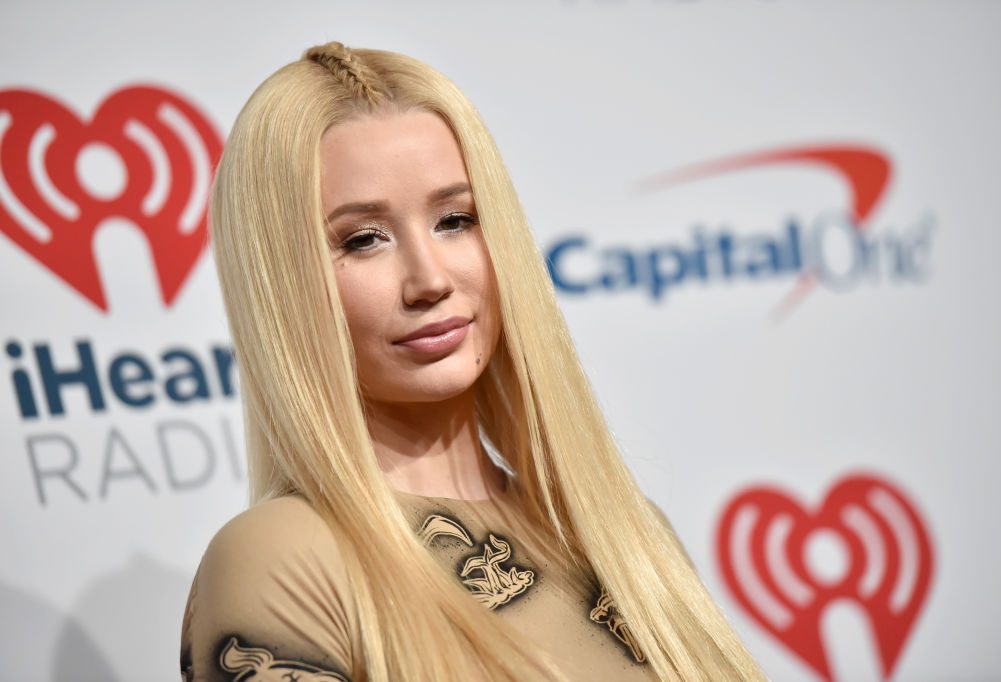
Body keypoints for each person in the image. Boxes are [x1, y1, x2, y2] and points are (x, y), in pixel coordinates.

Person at [179, 40, 765, 681]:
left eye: (456, 220)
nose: (429, 279)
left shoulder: (626, 534)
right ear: (281, 285)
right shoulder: (282, 560)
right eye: (363, 239)